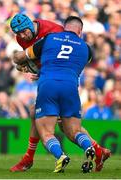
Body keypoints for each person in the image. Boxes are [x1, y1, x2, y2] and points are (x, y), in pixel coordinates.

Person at [10, 13, 111, 172]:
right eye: (18, 33)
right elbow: (74, 62)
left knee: (49, 127)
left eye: (24, 31)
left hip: (49, 81)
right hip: (70, 84)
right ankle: (97, 150)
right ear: (80, 32)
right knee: (69, 128)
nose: (22, 35)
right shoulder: (85, 47)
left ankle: (37, 158)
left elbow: (22, 58)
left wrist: (19, 62)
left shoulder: (52, 34)